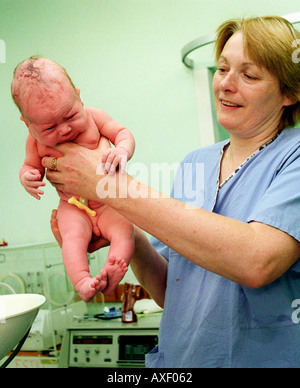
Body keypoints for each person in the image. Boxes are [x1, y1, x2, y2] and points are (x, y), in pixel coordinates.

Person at [44, 16, 300, 367]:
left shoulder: (294, 157)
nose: (225, 84)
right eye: (222, 68)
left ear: (290, 92)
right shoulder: (197, 163)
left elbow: (256, 261)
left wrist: (108, 186)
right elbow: (171, 289)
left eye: (249, 75)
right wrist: (121, 224)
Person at [11, 57, 135, 302]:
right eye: (49, 128)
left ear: (79, 97)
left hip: (108, 202)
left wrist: (122, 150)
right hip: (73, 206)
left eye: (70, 116)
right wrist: (27, 177)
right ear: (28, 125)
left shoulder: (94, 117)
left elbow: (122, 132)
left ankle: (115, 266)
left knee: (124, 228)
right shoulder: (34, 143)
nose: (65, 129)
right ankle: (82, 281)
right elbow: (28, 166)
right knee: (72, 239)